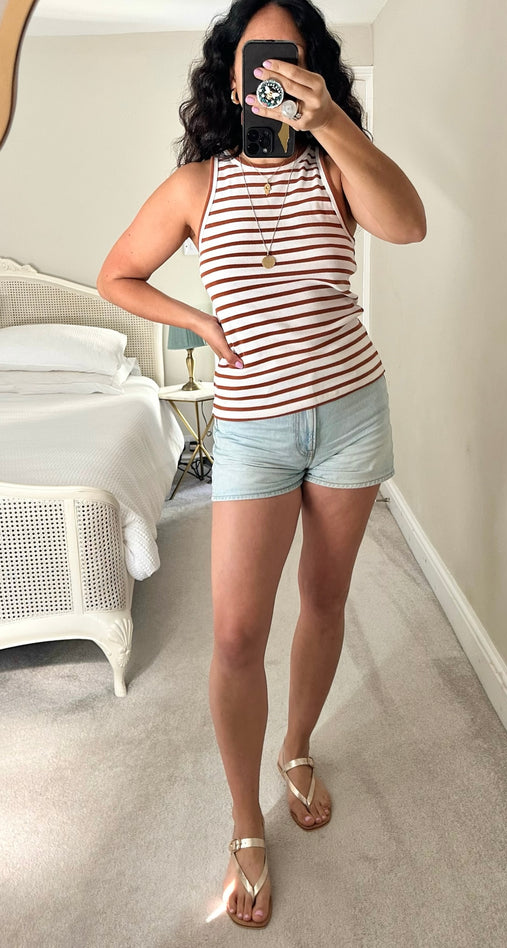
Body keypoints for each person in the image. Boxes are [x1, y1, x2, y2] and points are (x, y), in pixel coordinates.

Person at [97, 0, 426, 930]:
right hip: (252, 432)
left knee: (325, 600)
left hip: (351, 414)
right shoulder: (195, 185)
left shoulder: (337, 165)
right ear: (231, 73)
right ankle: (246, 820)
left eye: (290, 56)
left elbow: (407, 226)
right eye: (257, 57)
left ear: (311, 66)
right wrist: (199, 322)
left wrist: (334, 123)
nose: (273, 73)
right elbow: (116, 275)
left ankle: (297, 748)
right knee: (237, 636)